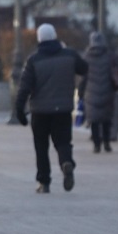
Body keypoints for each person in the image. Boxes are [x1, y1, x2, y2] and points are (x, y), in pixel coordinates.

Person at [15, 23, 88, 193]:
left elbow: (24, 88)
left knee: (41, 147)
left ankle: (44, 182)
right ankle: (66, 163)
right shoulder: (69, 55)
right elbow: (84, 68)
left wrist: (19, 110)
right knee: (63, 142)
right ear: (55, 36)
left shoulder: (34, 60)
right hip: (63, 109)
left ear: (39, 39)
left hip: (40, 111)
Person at [78, 31, 118, 153]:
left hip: (90, 92)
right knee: (106, 119)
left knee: (93, 120)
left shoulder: (86, 57)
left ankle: (96, 144)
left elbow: (83, 78)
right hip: (107, 91)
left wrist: (80, 93)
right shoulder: (110, 56)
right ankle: (107, 143)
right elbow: (116, 72)